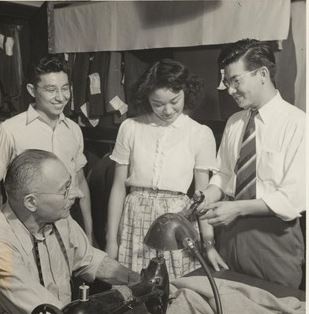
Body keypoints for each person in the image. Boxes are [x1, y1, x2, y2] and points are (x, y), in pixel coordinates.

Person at [197, 39, 305, 289]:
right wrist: (207, 195)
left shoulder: (298, 124)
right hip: (230, 235)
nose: (230, 90)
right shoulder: (234, 122)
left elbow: (293, 198)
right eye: (227, 82)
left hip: (274, 239)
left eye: (236, 80)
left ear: (262, 75)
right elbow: (223, 176)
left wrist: (236, 209)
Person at [106, 58, 222, 279]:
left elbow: (203, 197)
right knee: (135, 290)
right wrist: (111, 239)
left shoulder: (200, 133)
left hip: (177, 220)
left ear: (186, 92)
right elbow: (118, 188)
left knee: (174, 294)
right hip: (135, 217)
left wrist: (208, 244)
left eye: (174, 101)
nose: (167, 110)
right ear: (146, 98)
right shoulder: (130, 127)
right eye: (157, 104)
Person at [0, 149, 139, 314]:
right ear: (31, 202)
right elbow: (47, 309)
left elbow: (89, 259)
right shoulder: (3, 246)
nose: (77, 193)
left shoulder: (60, 219)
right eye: (65, 190)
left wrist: (137, 280)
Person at [0, 55, 94, 243]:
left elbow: (80, 180)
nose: (61, 97)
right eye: (51, 89)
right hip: (22, 229)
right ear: (32, 90)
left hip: (67, 225)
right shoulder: (10, 130)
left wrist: (89, 233)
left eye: (65, 88)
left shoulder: (73, 130)